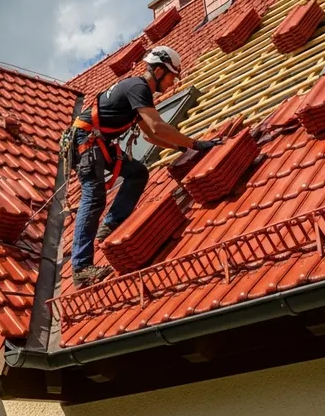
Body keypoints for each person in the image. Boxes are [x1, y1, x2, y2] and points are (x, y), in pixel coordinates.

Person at [68, 45, 220, 288]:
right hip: (86, 143)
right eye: (172, 76)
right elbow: (158, 126)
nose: (172, 83)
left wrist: (182, 148)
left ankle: (111, 225)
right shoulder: (139, 87)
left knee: (137, 173)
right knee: (94, 197)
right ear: (159, 72)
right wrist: (195, 143)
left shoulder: (138, 93)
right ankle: (81, 268)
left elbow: (150, 136)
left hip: (97, 142)